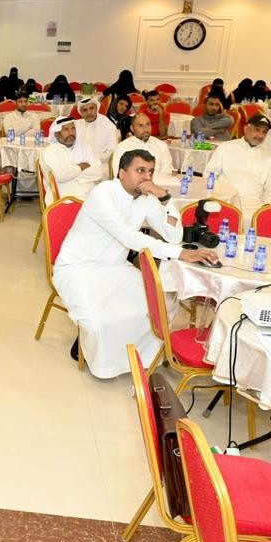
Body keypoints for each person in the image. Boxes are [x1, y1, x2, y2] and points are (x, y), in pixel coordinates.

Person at [53, 150, 219, 378]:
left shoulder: (146, 199)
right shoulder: (103, 193)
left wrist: (164, 198)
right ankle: (100, 359)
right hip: (79, 267)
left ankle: (139, 357)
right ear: (122, 172)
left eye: (150, 172)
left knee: (161, 306)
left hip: (116, 267)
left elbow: (173, 235)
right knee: (98, 322)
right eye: (140, 170)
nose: (146, 177)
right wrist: (180, 253)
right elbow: (128, 237)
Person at [205, 114, 271, 223]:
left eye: (264, 132)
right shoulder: (225, 147)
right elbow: (209, 174)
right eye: (257, 130)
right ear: (246, 128)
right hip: (223, 199)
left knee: (259, 221)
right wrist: (216, 195)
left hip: (252, 203)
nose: (260, 135)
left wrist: (268, 205)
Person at [40, 118, 104, 203]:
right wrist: (80, 167)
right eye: (66, 129)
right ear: (56, 134)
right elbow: (60, 176)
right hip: (63, 200)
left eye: (73, 128)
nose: (71, 133)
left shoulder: (85, 148)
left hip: (89, 196)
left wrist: (72, 175)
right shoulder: (50, 152)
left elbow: (98, 172)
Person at [74, 97, 119, 177]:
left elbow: (112, 151)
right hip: (79, 164)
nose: (89, 112)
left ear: (97, 108)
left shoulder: (108, 125)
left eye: (91, 108)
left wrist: (91, 160)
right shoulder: (76, 125)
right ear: (81, 112)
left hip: (101, 165)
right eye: (85, 110)